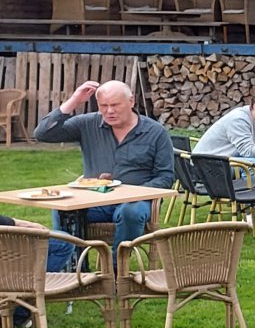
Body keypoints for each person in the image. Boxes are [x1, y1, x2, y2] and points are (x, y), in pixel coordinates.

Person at [33, 79, 176, 270]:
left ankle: (118, 272)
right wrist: (75, 100)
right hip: (94, 200)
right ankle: (75, 271)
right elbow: (43, 134)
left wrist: (129, 192)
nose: (109, 111)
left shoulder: (155, 132)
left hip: (136, 201)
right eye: (103, 106)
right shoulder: (88, 124)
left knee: (130, 212)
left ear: (131, 101)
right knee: (64, 208)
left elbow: (166, 177)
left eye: (115, 105)